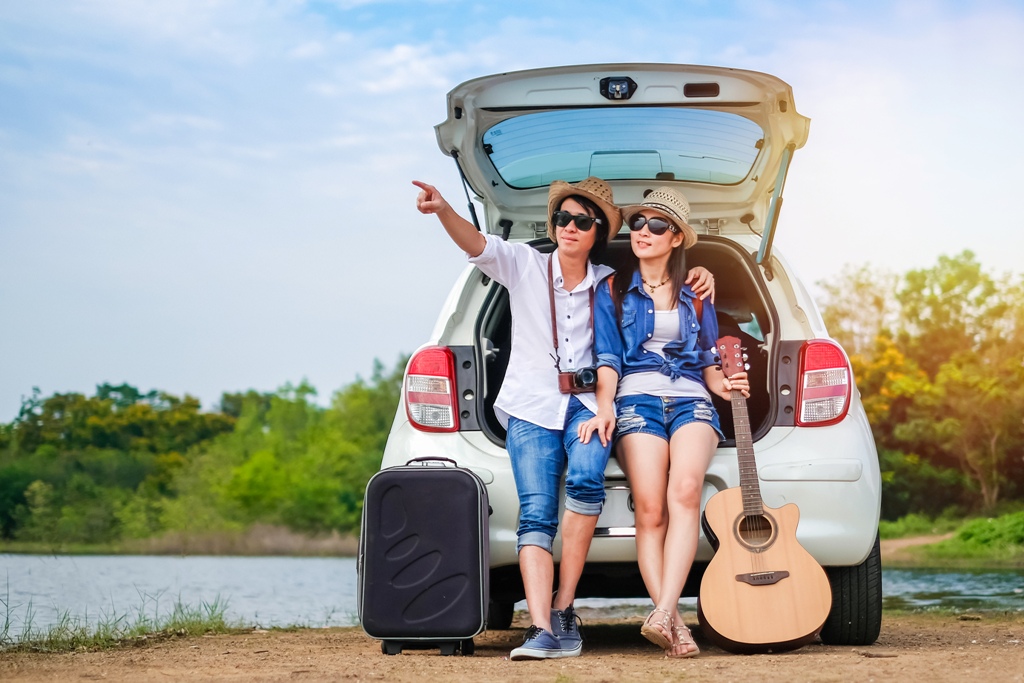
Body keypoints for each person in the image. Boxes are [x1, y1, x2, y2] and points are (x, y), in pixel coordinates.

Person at [412, 177, 714, 660]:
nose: (568, 227)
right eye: (561, 218)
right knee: (535, 510)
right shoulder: (523, 263)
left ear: (597, 232)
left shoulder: (606, 284)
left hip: (589, 405)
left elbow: (646, 327)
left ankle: (565, 606)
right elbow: (476, 244)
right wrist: (445, 210)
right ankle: (540, 629)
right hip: (531, 403)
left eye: (581, 221)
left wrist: (702, 278)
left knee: (588, 482)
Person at [580, 186, 749, 659]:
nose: (643, 232)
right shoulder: (611, 289)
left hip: (691, 399)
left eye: (657, 226)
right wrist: (605, 405)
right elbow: (609, 356)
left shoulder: (698, 291)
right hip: (636, 401)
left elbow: (711, 361)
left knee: (686, 492)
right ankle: (673, 620)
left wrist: (729, 386)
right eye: (638, 224)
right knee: (650, 510)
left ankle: (663, 611)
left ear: (677, 238)